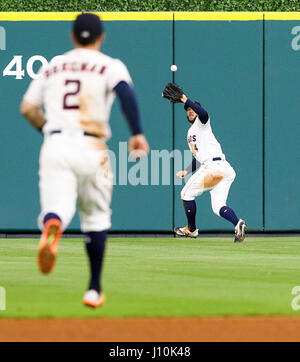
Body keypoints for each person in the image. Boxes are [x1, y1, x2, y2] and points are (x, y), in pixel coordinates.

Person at [20, 13, 149, 308]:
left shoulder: (54, 66)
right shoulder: (109, 65)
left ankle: (53, 223)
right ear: (102, 37)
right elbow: (125, 94)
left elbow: (27, 108)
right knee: (96, 217)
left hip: (56, 143)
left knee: (58, 209)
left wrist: (49, 131)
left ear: (72, 37)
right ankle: (93, 289)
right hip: (92, 145)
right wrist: (137, 133)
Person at [174, 92, 246, 242]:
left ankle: (191, 229)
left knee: (186, 194)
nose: (190, 111)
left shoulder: (203, 123)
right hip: (223, 169)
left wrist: (186, 100)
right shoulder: (190, 133)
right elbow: (199, 159)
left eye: (193, 109)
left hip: (214, 167)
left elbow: (204, 113)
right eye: (188, 110)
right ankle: (238, 223)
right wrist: (186, 170)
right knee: (218, 206)